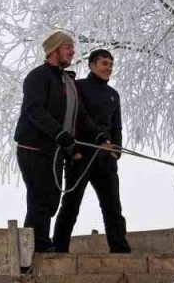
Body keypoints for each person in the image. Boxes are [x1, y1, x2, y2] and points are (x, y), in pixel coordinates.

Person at [14, 31, 111, 254]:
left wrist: (99, 136)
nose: (72, 51)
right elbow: (35, 110)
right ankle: (37, 248)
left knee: (51, 199)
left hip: (56, 150)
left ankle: (39, 244)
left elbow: (81, 115)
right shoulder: (38, 77)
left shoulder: (67, 80)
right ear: (54, 50)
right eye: (68, 47)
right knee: (40, 198)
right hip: (34, 149)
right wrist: (59, 134)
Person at [52, 49, 132, 253]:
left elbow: (117, 127)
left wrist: (117, 150)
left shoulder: (114, 95)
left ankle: (120, 249)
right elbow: (79, 117)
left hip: (106, 158)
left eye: (111, 64)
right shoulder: (78, 87)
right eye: (104, 63)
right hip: (81, 155)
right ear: (92, 65)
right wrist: (97, 139)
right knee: (71, 204)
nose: (109, 68)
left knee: (113, 206)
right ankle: (59, 248)